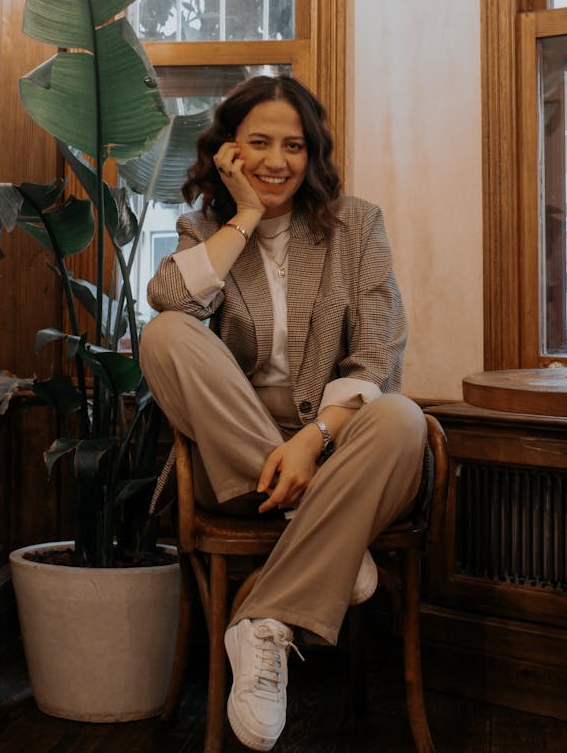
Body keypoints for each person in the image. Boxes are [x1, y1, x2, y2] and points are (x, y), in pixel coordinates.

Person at [140, 74, 427, 752]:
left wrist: (316, 441)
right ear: (228, 151)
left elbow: (377, 354)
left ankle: (261, 623)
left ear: (314, 153)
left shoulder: (356, 225)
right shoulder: (204, 228)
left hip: (338, 446)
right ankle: (327, 523)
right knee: (166, 331)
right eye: (259, 143)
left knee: (403, 419)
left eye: (294, 145)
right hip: (234, 458)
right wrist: (242, 216)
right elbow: (168, 296)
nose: (277, 160)